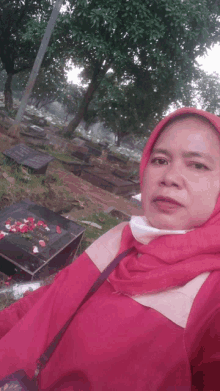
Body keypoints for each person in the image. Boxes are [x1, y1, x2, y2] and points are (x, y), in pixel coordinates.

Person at [1, 107, 220, 390]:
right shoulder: (120, 237)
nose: (170, 176)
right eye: (160, 160)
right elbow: (48, 301)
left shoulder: (212, 297)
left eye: (197, 165)